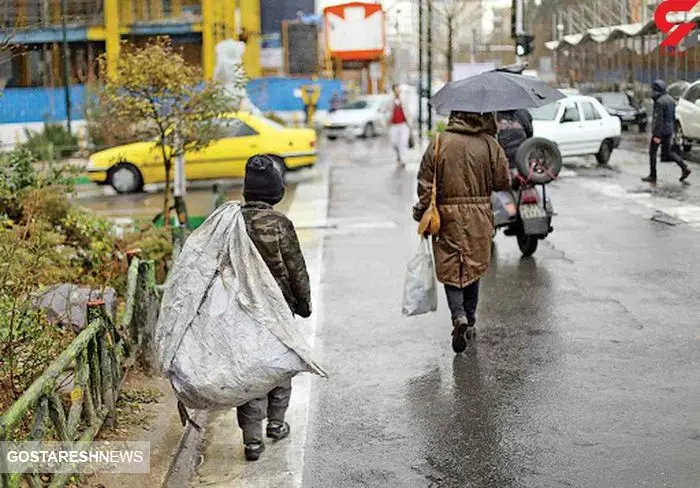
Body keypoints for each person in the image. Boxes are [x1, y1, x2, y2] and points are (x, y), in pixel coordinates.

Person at [413, 112, 511, 353]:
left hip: (447, 216)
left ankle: (458, 316)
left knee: (451, 267)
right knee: (473, 266)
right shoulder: (489, 143)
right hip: (479, 215)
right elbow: (503, 181)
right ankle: (470, 318)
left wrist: (421, 211)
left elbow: (425, 182)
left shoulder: (439, 142)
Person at [237, 155, 312, 461]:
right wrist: (304, 304)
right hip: (278, 310)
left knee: (250, 370)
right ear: (276, 192)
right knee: (280, 366)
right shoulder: (281, 224)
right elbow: (296, 268)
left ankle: (252, 439)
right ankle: (277, 424)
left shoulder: (233, 222)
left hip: (242, 310)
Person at [643, 79, 692, 184]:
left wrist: (656, 135)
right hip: (669, 131)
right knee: (668, 152)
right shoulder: (670, 100)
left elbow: (658, 119)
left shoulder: (660, 102)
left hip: (660, 132)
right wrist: (674, 131)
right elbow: (673, 117)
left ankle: (653, 175)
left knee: (653, 153)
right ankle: (684, 167)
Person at [390, 84, 411, 167]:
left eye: (399, 89)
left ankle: (402, 160)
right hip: (393, 125)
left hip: (403, 124)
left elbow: (408, 111)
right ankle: (398, 156)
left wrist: (410, 123)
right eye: (396, 89)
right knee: (394, 142)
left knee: (403, 142)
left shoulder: (404, 99)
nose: (398, 91)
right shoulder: (390, 100)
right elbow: (385, 112)